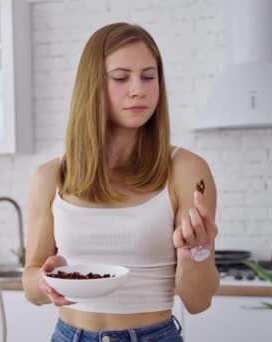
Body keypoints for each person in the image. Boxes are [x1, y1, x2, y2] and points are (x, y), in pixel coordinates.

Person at [22, 22, 220, 342]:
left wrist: (195, 254)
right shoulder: (50, 177)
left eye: (148, 76)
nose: (138, 88)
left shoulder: (187, 170)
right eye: (120, 77)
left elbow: (198, 302)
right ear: (92, 85)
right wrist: (46, 283)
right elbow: (30, 285)